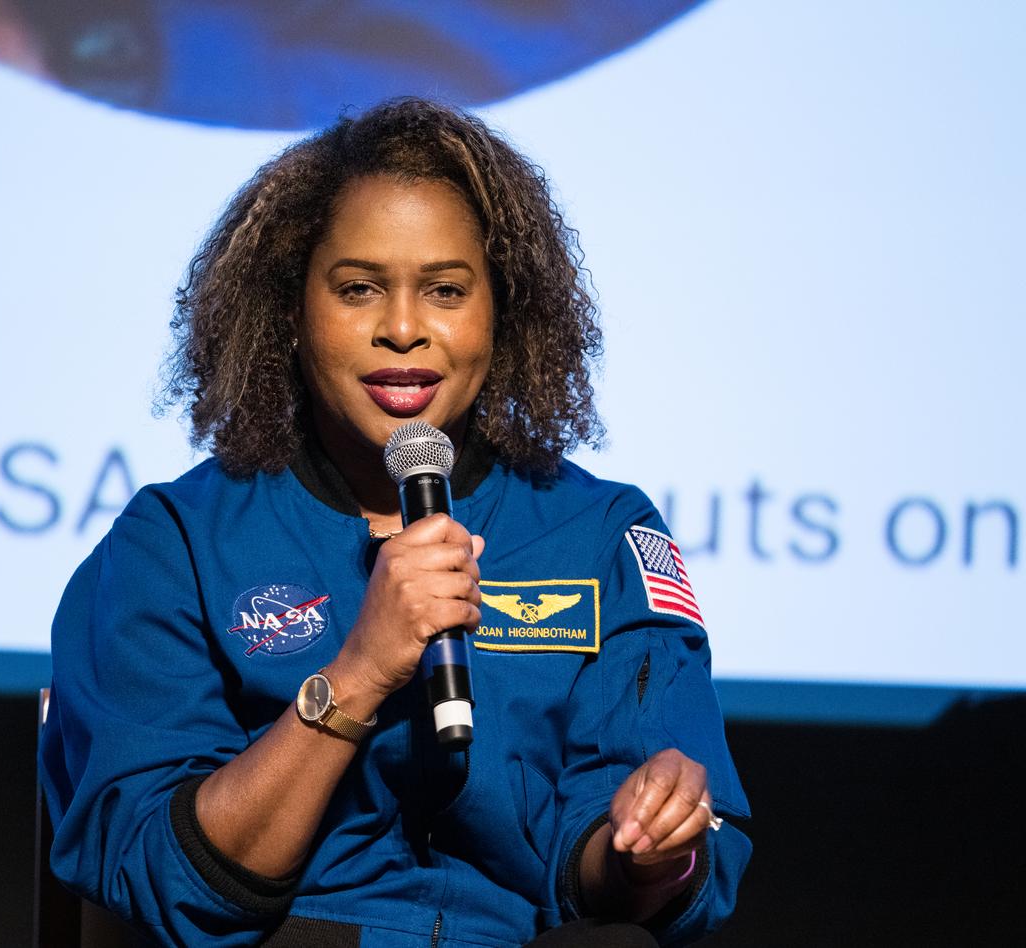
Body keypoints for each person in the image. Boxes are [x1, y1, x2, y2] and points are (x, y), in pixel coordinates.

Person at [38, 98, 751, 947]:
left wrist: (649, 851)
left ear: (503, 311)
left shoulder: (599, 532)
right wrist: (361, 672)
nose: (404, 329)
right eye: (358, 289)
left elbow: (616, 871)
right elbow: (163, 875)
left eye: (446, 290)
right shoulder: (176, 542)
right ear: (291, 310)